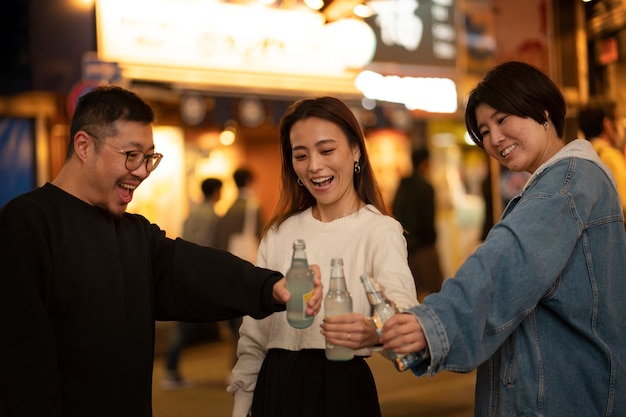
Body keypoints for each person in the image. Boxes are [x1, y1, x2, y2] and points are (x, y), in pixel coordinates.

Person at [0, 85, 323, 417]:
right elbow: (20, 365)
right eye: (131, 155)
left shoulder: (132, 232)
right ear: (84, 146)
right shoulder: (27, 223)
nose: (141, 171)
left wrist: (270, 286)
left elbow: (193, 269)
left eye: (148, 158)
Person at [381, 61, 626, 416]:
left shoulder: (565, 182)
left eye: (501, 119)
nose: (494, 139)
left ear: (542, 111)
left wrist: (434, 324)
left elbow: (507, 260)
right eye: (483, 130)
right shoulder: (568, 180)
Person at [227, 96, 417, 417]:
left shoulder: (380, 230)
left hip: (342, 389)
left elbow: (406, 319)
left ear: (355, 150)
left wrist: (375, 331)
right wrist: (242, 404)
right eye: (301, 155)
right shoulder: (279, 233)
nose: (314, 166)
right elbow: (254, 335)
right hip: (276, 387)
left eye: (326, 150)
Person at [161, 177, 223, 390]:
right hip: (202, 274)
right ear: (216, 192)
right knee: (234, 320)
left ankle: (170, 371)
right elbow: (207, 248)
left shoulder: (192, 213)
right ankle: (170, 372)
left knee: (183, 325)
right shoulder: (212, 216)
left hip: (185, 272)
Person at [214, 168, 263, 370]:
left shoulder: (229, 207)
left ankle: (234, 364)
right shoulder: (253, 206)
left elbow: (220, 240)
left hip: (229, 264)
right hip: (248, 262)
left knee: (235, 318)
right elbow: (260, 234)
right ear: (249, 181)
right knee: (247, 319)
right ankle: (242, 364)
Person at [392, 147, 444, 302]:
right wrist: (432, 241)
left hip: (405, 248)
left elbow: (395, 211)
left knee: (411, 294)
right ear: (424, 163)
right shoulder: (426, 187)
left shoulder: (402, 186)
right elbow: (428, 220)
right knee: (434, 293)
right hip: (423, 248)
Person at [578, 97, 626, 218]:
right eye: (618, 118)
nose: (621, 125)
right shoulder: (610, 155)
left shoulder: (583, 154)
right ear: (608, 124)